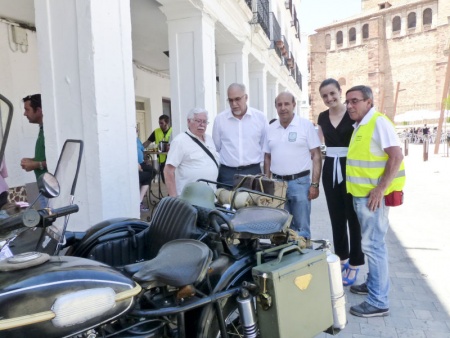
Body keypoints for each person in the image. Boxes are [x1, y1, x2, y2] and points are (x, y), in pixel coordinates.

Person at [345, 85, 405, 318]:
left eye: (355, 101)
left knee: (374, 246)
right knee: (371, 244)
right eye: (348, 101)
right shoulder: (362, 124)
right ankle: (373, 285)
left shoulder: (378, 122)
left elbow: (396, 156)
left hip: (372, 198)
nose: (350, 105)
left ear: (369, 102)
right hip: (363, 197)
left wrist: (380, 189)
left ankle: (378, 301)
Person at [317, 79, 364, 286]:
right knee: (336, 218)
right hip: (330, 170)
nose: (329, 99)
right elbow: (317, 146)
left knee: (353, 218)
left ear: (339, 92)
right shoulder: (321, 116)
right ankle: (342, 259)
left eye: (332, 93)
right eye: (325, 96)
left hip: (350, 167)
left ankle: (355, 263)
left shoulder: (352, 114)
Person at [263, 92, 322, 247]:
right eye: (279, 104)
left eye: (286, 104)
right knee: (280, 228)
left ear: (294, 105)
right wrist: (266, 184)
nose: (283, 108)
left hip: (300, 183)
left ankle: (304, 262)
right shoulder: (270, 128)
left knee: (302, 230)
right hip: (277, 185)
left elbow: (316, 155)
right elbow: (267, 157)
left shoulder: (305, 126)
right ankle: (284, 264)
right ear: (275, 107)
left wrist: (315, 184)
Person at [213, 83, 267, 187]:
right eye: (230, 100)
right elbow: (217, 147)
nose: (234, 104)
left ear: (246, 97)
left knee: (252, 203)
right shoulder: (220, 120)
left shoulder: (260, 118)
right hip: (227, 174)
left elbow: (264, 147)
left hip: (253, 173)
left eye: (237, 99)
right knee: (226, 203)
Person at [164, 108, 219, 197]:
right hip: (190, 198)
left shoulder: (209, 139)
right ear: (189, 121)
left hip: (211, 196)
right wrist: (173, 198)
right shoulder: (180, 141)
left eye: (205, 122)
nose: (202, 125)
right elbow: (168, 171)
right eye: (198, 121)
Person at [20, 94, 47, 207]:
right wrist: (32, 161)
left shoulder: (50, 131)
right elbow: (46, 157)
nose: (25, 113)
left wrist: (35, 164)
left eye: (27, 109)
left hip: (52, 188)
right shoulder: (42, 129)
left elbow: (58, 160)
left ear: (39, 110)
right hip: (44, 187)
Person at [143, 115, 172, 183]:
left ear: (167, 123)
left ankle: (171, 193)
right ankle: (169, 192)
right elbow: (147, 142)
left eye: (162, 123)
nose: (160, 125)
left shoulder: (173, 131)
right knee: (164, 178)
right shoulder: (156, 132)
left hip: (172, 159)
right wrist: (139, 148)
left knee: (172, 179)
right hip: (162, 160)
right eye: (159, 123)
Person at [137, 130, 157, 211]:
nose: (136, 132)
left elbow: (142, 150)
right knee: (148, 176)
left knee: (153, 171)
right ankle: (139, 201)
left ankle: (140, 199)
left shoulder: (137, 139)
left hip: (141, 163)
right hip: (134, 165)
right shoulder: (127, 140)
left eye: (137, 131)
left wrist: (146, 159)